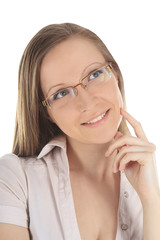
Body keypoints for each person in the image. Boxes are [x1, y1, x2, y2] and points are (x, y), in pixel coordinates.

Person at [0, 23, 160, 240]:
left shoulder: (150, 181)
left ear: (116, 75)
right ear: (46, 112)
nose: (87, 102)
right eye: (61, 93)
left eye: (94, 75)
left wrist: (151, 200)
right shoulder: (15, 179)